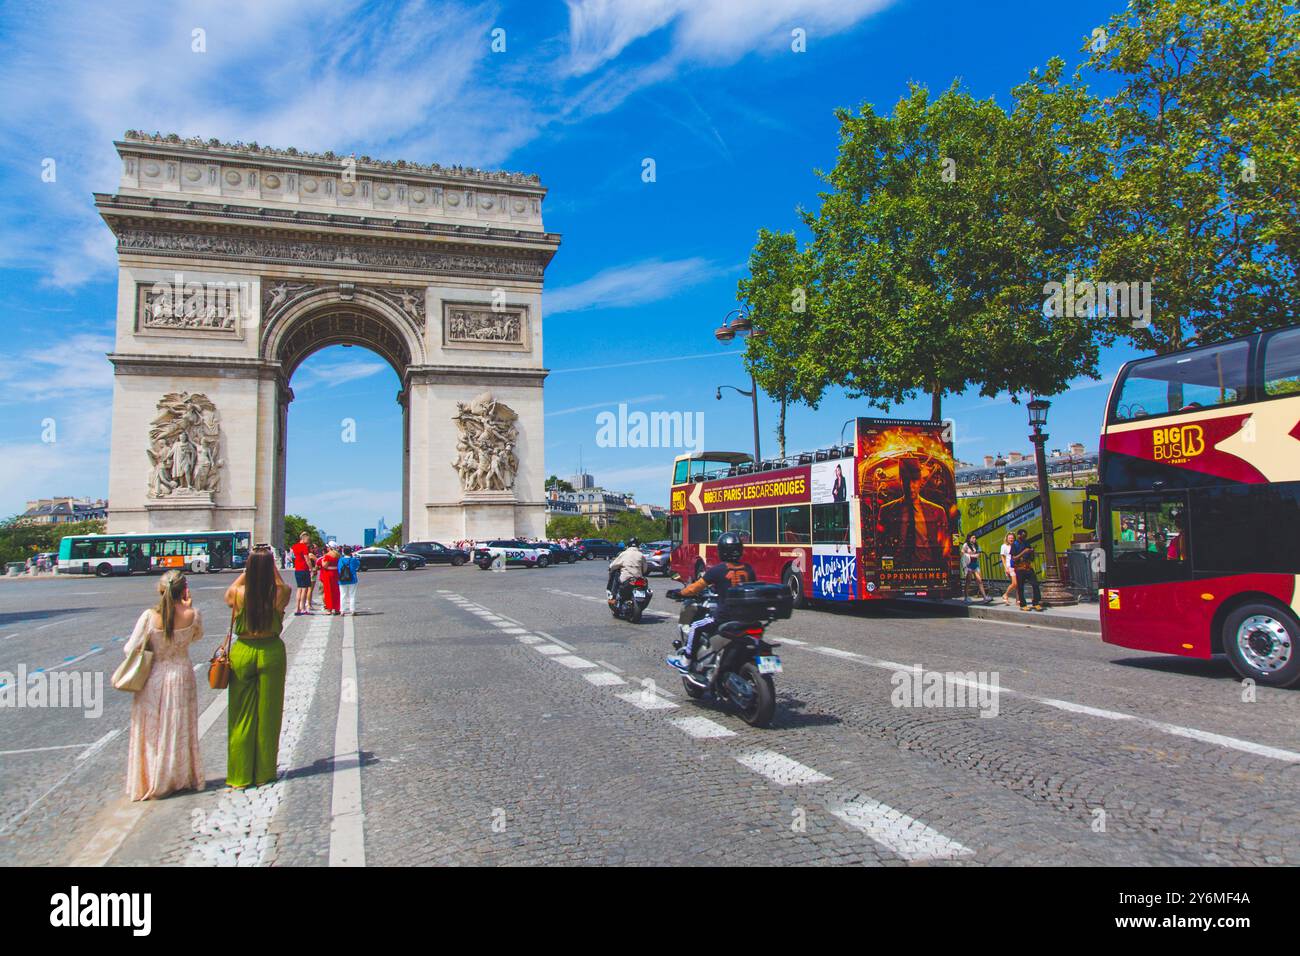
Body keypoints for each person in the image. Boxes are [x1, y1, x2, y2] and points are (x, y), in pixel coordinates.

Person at [125, 570, 205, 801]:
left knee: (152, 729)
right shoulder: (193, 614)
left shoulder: (150, 617)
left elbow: (130, 649)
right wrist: (188, 607)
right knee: (179, 728)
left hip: (155, 675)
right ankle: (180, 777)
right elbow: (196, 637)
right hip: (181, 674)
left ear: (160, 590)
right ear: (184, 590)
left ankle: (153, 778)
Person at [223, 545, 292, 789]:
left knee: (241, 715)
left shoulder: (239, 593)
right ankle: (264, 773)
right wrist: (270, 564)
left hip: (243, 651)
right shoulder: (279, 593)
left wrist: (248, 568)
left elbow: (229, 592)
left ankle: (239, 776)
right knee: (269, 715)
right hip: (271, 651)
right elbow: (284, 586)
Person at [666, 531, 756, 675]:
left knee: (695, 626)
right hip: (748, 618)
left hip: (724, 618)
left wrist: (679, 593)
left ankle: (686, 660)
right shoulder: (749, 569)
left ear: (721, 551)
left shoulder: (718, 570)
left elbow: (695, 588)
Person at [606, 537, 647, 605]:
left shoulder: (624, 554)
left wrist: (610, 567)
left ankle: (613, 597)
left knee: (616, 577)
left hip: (626, 579)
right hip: (639, 579)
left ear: (628, 545)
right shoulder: (641, 555)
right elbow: (645, 569)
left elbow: (613, 565)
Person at [1010, 529, 1043, 611]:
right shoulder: (1015, 544)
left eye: (1026, 536)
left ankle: (1036, 602)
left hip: (1028, 567)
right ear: (1019, 535)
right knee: (1021, 587)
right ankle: (1023, 604)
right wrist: (1024, 552)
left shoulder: (1027, 543)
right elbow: (1014, 558)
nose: (1025, 537)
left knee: (1035, 584)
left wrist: (1032, 552)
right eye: (1023, 535)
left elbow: (1031, 557)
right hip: (1019, 568)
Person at [961, 533, 991, 603]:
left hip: (975, 564)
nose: (974, 539)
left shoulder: (976, 545)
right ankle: (966, 597)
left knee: (979, 580)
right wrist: (971, 556)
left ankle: (984, 596)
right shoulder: (966, 545)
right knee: (968, 581)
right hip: (968, 564)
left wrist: (975, 555)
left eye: (975, 538)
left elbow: (979, 554)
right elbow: (962, 553)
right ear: (969, 538)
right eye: (973, 538)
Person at [290, 532, 312, 615]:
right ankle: (302, 607)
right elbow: (307, 559)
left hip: (297, 569)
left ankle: (297, 607)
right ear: (304, 538)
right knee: (304, 589)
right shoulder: (304, 547)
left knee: (299, 588)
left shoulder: (295, 546)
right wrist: (311, 569)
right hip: (304, 569)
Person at [317, 543, 341, 616]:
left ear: (330, 548)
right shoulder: (338, 555)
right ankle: (337, 608)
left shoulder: (328, 555)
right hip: (336, 574)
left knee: (328, 592)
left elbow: (324, 565)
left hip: (328, 574)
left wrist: (323, 560)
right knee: (336, 591)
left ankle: (329, 609)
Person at [337, 545, 360, 615]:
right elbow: (358, 565)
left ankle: (342, 611)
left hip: (342, 579)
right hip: (352, 579)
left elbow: (338, 569)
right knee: (352, 595)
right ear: (351, 552)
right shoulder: (353, 559)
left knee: (343, 595)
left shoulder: (340, 560)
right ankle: (352, 610)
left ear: (343, 552)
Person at [999, 531, 1017, 606]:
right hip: (1009, 566)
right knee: (1014, 583)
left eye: (1012, 538)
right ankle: (1005, 594)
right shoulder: (1004, 546)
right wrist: (1006, 568)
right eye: (1009, 538)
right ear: (1007, 538)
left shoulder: (1015, 545)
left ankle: (1018, 600)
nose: (1011, 539)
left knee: (1017, 584)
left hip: (1017, 565)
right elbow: (1003, 557)